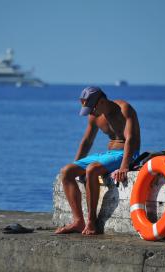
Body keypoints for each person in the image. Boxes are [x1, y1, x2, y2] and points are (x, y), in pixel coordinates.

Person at [55, 86, 141, 235]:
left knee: (92, 169)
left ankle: (91, 222)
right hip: (107, 154)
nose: (91, 113)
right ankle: (78, 221)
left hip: (126, 153)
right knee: (66, 171)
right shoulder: (95, 115)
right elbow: (87, 141)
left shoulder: (124, 109)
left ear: (101, 102)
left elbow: (130, 139)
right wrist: (76, 166)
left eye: (92, 108)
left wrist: (124, 166)